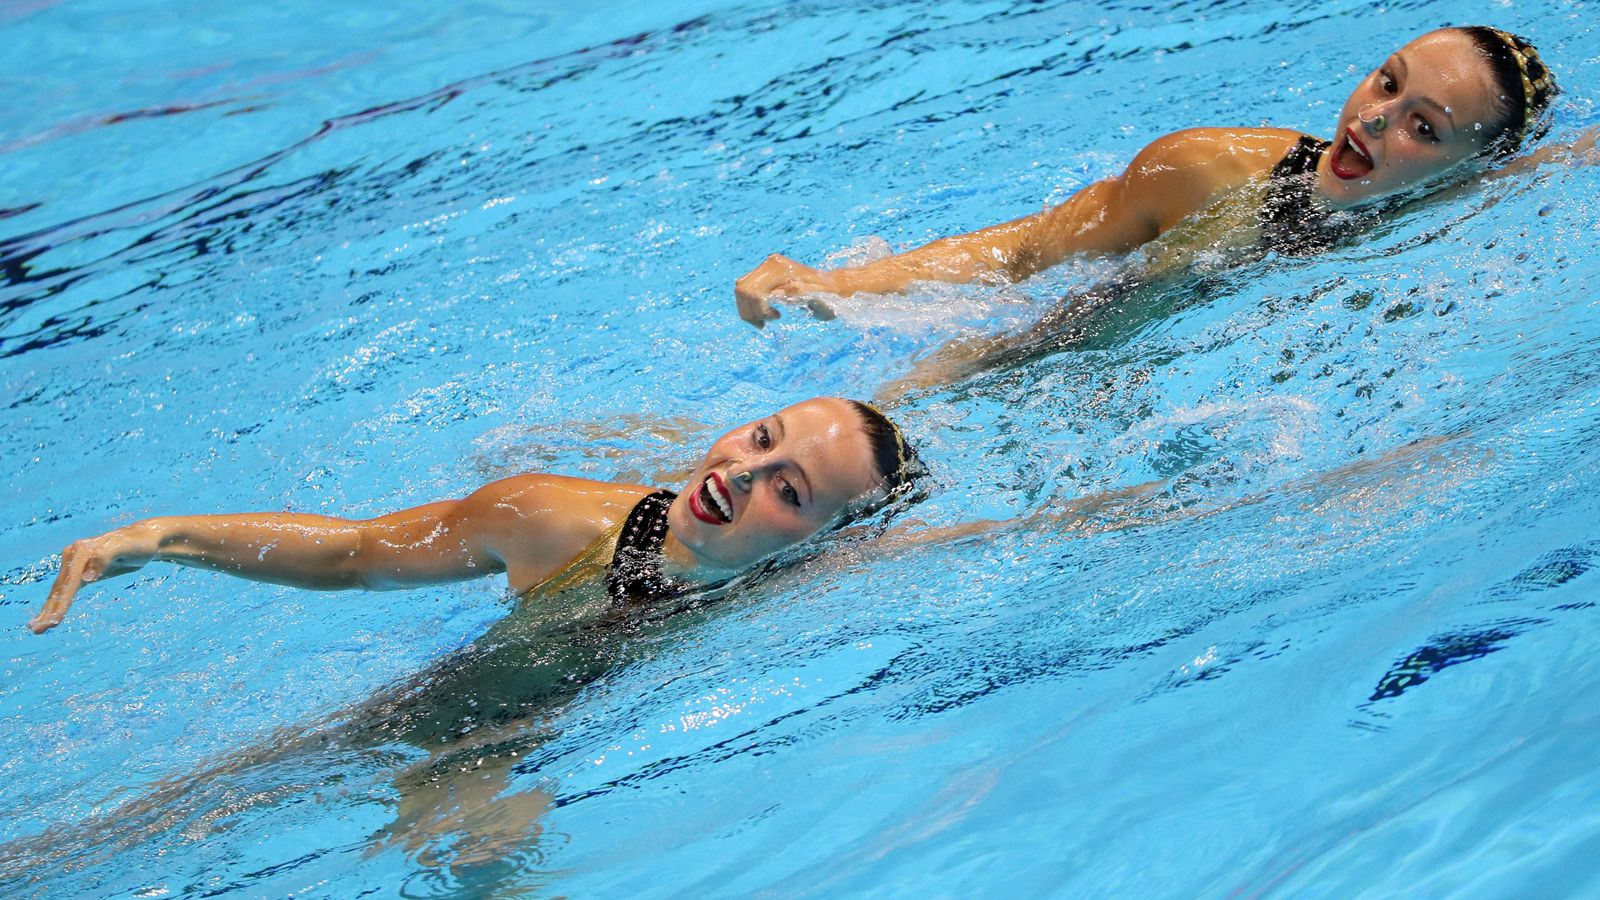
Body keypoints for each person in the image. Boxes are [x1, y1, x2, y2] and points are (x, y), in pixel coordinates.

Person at [733, 27, 1570, 358]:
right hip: (1046, 351)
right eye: (1387, 83)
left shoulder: (1462, 200)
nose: (1375, 124)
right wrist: (834, 283)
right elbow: (1029, 248)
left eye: (1424, 127)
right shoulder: (1209, 171)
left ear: (1471, 166)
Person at [28, 396, 917, 636]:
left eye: (790, 490)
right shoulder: (554, 518)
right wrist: (161, 539)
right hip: (475, 730)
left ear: (832, 533)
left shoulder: (822, 567)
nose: (742, 470)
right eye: (762, 437)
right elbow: (355, 554)